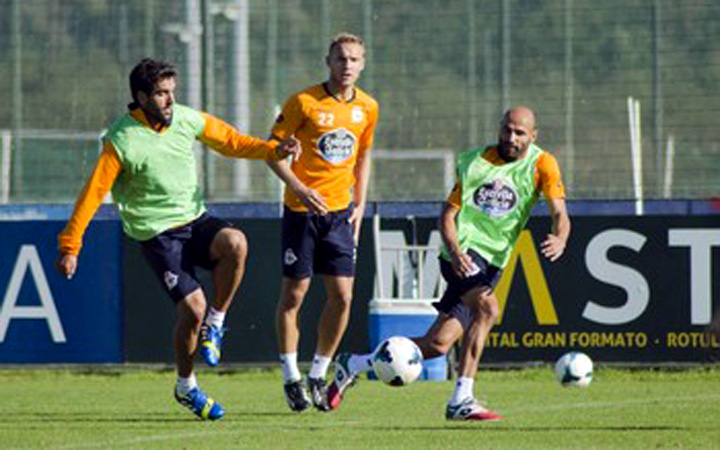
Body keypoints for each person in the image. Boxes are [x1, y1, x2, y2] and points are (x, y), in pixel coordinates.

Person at [55, 58, 301, 421]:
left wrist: (272, 149)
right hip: (157, 233)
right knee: (191, 310)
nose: (170, 100)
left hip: (194, 219)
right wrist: (70, 245)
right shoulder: (120, 139)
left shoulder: (185, 118)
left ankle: (216, 322)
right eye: (160, 93)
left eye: (172, 91)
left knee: (236, 243)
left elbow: (231, 142)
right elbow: (92, 194)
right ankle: (186, 386)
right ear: (141, 97)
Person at [328, 107, 571, 421]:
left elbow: (559, 214)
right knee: (488, 309)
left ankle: (353, 364)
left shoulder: (542, 164)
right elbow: (447, 216)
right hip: (463, 254)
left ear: (533, 136)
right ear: (499, 128)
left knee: (437, 345)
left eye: (520, 133)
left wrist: (560, 238)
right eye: (507, 130)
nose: (511, 138)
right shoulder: (474, 162)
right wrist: (456, 252)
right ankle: (461, 398)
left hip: (493, 263)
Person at [265, 33, 379, 412]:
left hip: (340, 216)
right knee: (294, 296)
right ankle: (290, 376)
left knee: (343, 297)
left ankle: (319, 372)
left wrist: (359, 206)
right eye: (341, 59)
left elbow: (362, 158)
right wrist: (298, 188)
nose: (347, 66)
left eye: (354, 60)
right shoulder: (303, 102)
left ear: (363, 64)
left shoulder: (368, 108)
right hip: (301, 215)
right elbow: (272, 153)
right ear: (328, 61)